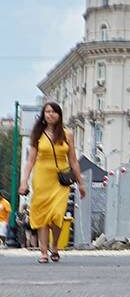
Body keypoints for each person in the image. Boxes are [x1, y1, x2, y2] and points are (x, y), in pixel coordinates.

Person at [17, 102, 86, 263]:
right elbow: (30, 161)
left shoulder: (67, 134)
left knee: (57, 214)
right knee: (43, 216)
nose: (50, 114)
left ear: (59, 115)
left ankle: (54, 246)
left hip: (61, 179)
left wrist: (81, 183)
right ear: (43, 115)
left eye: (54, 112)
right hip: (42, 179)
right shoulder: (37, 134)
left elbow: (74, 161)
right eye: (47, 112)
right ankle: (43, 252)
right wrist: (24, 181)